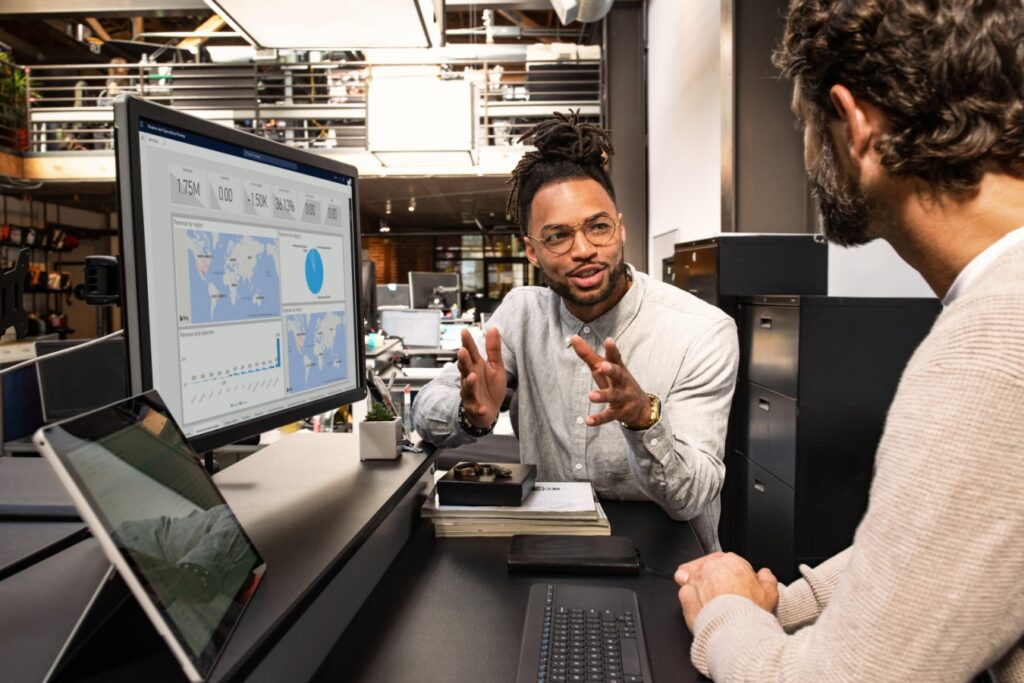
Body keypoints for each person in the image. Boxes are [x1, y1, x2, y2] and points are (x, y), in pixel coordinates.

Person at [673, 1, 1024, 680]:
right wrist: (784, 603)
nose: (809, 154)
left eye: (809, 127)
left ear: (854, 123)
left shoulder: (991, 342)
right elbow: (938, 546)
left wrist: (723, 611)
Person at [413, 112, 739, 551]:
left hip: (669, 555)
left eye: (598, 227)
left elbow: (691, 499)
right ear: (531, 250)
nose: (584, 250)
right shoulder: (520, 315)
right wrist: (472, 415)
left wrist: (643, 419)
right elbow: (425, 409)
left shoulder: (702, 331)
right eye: (558, 236)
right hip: (552, 542)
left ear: (620, 229)